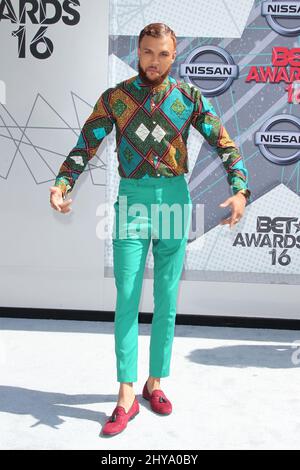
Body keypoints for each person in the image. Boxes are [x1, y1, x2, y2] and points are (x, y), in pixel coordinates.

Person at [49, 22, 251, 437]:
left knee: (167, 299)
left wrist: (240, 190)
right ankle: (126, 396)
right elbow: (85, 145)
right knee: (126, 296)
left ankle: (154, 383)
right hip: (131, 203)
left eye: (162, 54)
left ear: (173, 56)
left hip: (175, 200)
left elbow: (225, 143)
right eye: (147, 53)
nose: (154, 61)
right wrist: (64, 182)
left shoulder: (188, 98)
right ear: (136, 52)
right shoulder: (116, 99)